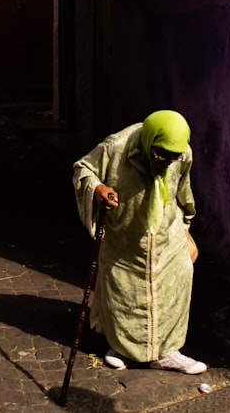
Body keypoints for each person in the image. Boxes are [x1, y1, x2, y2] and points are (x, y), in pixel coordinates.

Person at [71, 109, 207, 375]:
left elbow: (184, 191)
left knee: (176, 281)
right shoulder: (116, 148)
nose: (167, 161)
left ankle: (167, 352)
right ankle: (123, 349)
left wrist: (186, 226)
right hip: (125, 237)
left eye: (173, 156)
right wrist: (98, 189)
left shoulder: (182, 154)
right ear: (148, 142)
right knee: (123, 291)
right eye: (160, 154)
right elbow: (83, 169)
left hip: (166, 234)